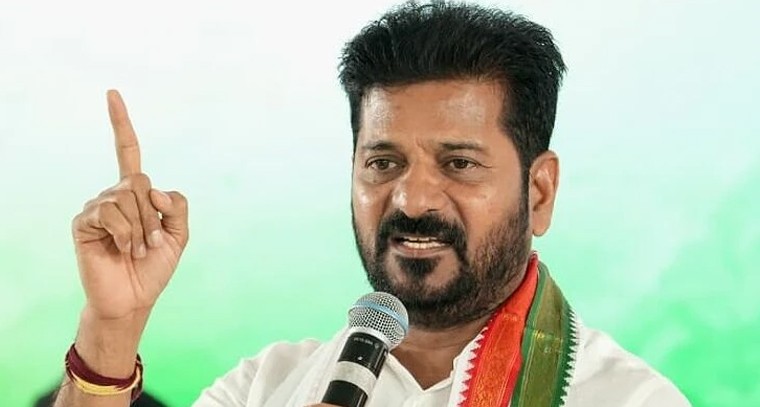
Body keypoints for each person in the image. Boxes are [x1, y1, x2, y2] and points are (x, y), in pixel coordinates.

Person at [52, 2, 691, 406]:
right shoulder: (267, 386)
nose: (411, 199)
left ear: (539, 191)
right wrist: (112, 328)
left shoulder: (625, 398)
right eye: (383, 163)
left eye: (459, 163)